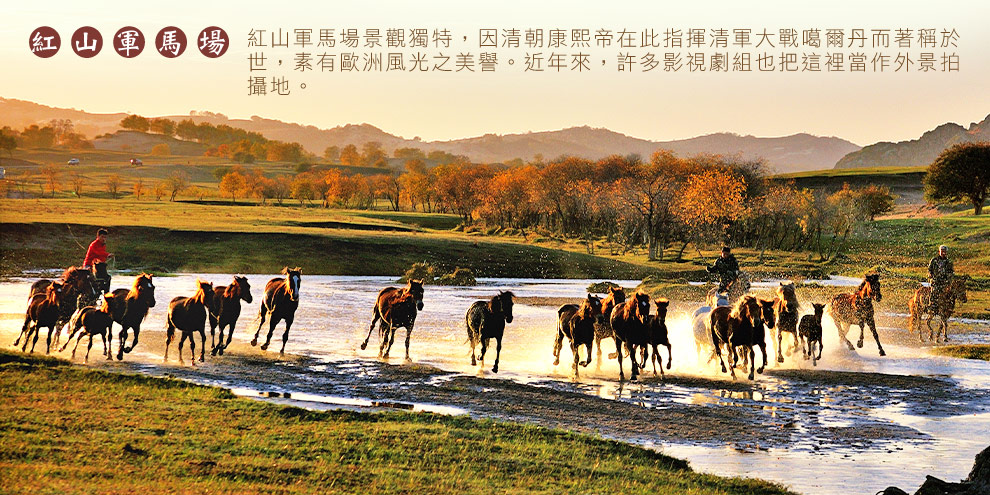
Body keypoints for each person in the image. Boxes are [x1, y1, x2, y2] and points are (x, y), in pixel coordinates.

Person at [83, 228, 113, 294]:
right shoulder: (93, 245)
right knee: (89, 278)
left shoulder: (103, 245)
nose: (104, 239)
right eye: (102, 237)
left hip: (97, 266)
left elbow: (101, 256)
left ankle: (106, 293)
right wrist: (107, 255)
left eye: (105, 237)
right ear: (98, 236)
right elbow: (98, 253)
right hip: (88, 265)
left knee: (107, 278)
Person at [928, 245, 954, 312]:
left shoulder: (948, 262)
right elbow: (929, 269)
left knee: (950, 294)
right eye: (942, 251)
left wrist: (949, 279)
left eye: (944, 251)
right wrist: (931, 275)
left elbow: (951, 271)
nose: (943, 253)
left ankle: (949, 307)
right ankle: (931, 305)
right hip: (935, 280)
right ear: (939, 251)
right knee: (934, 291)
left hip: (945, 281)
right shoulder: (934, 260)